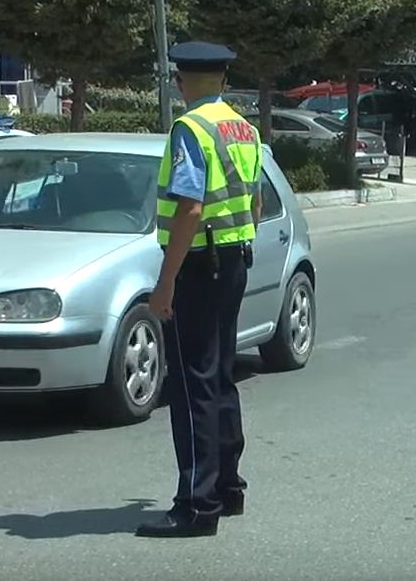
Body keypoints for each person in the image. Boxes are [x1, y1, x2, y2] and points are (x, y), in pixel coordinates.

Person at [136, 41, 263, 538]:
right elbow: (253, 201)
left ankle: (196, 505)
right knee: (220, 375)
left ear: (181, 81)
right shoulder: (242, 127)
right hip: (233, 258)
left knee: (191, 386)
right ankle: (229, 489)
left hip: (199, 264)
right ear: (225, 80)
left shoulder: (190, 129)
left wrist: (165, 283)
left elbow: (188, 207)